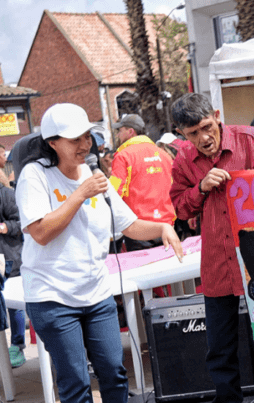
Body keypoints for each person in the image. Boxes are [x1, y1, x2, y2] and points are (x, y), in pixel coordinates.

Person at [16, 103, 182, 403]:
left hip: (97, 294)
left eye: (87, 137)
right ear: (53, 142)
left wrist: (161, 229)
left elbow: (128, 224)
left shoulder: (95, 177)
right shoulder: (35, 175)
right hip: (53, 298)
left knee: (114, 373)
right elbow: (40, 232)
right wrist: (80, 194)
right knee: (76, 382)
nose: (85, 145)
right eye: (74, 139)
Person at [170, 93, 254, 403]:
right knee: (220, 347)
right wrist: (200, 188)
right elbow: (180, 208)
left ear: (216, 116)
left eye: (206, 127)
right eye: (192, 134)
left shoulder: (249, 139)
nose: (203, 138)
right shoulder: (184, 160)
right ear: (182, 135)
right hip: (217, 263)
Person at [110, 114, 176, 251]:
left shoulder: (123, 156)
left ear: (130, 132)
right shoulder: (164, 155)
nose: (118, 135)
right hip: (167, 226)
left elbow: (114, 193)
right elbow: (175, 188)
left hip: (139, 229)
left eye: (120, 130)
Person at [0, 172, 24, 368]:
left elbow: (21, 223)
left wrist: (4, 227)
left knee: (14, 305)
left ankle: (17, 344)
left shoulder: (7, 194)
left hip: (9, 258)